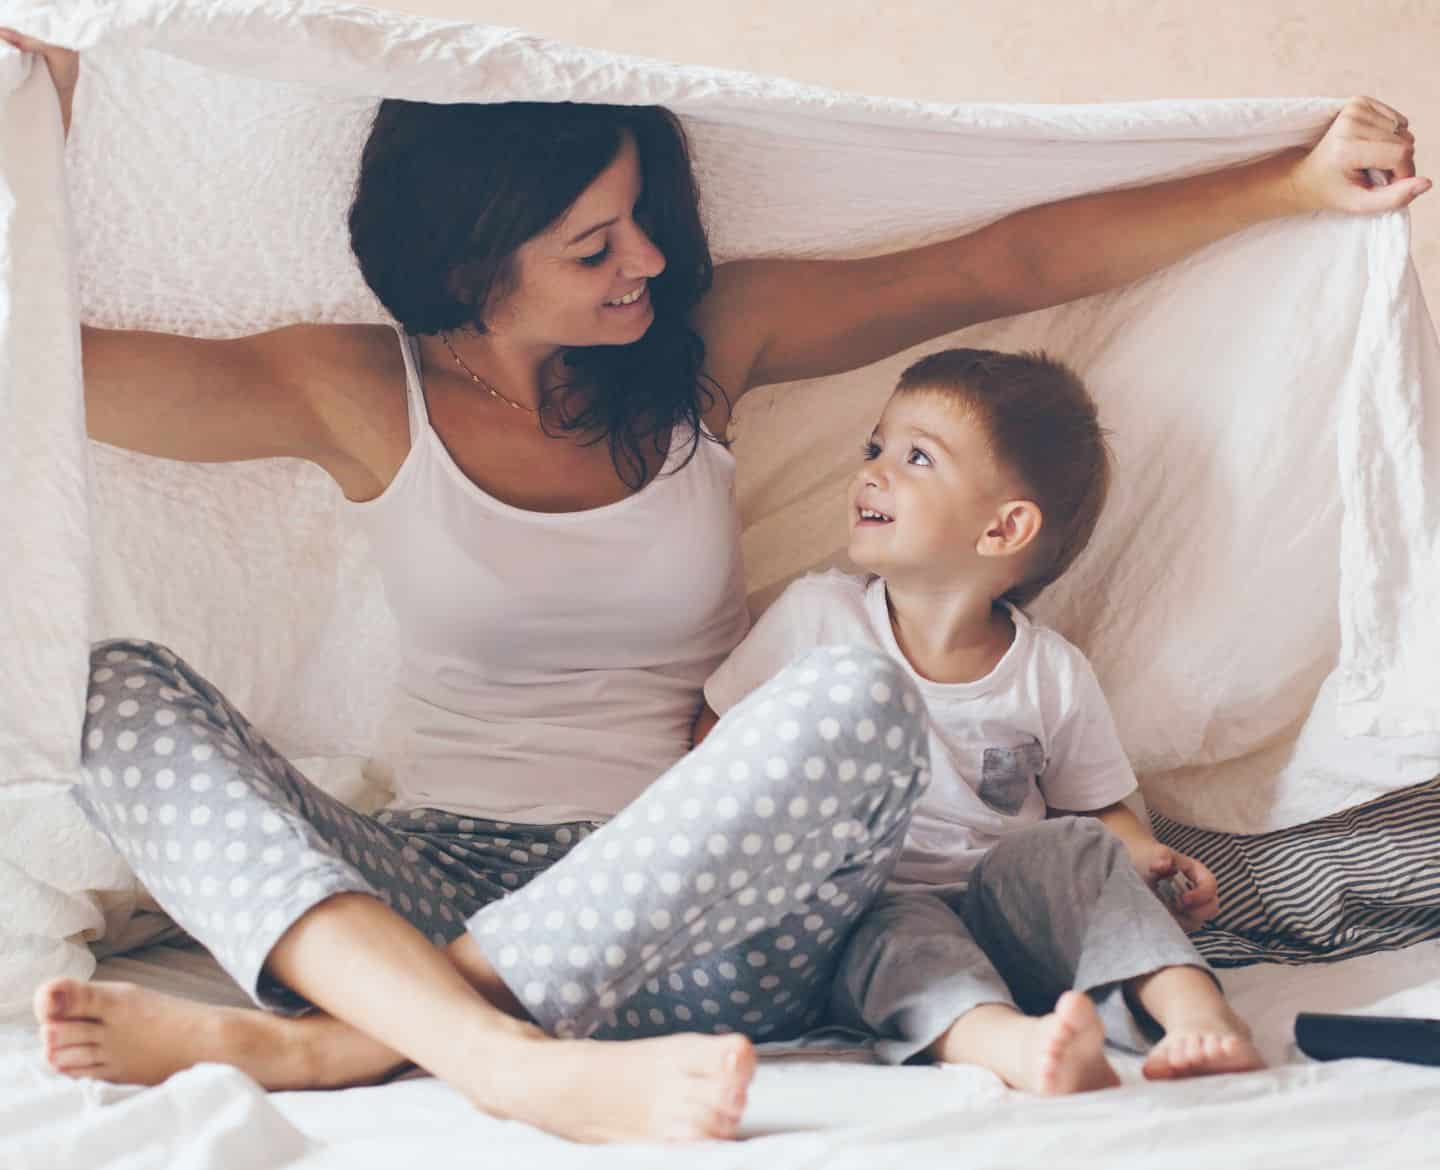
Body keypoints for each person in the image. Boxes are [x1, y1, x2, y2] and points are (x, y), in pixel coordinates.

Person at [3, 28, 1424, 1145]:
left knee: (857, 697)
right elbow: (39, 358)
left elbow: (1003, 262)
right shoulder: (351, 389)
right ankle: (498, 1057)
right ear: (471, 265)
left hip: (704, 917)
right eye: (596, 246)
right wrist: (31, 109)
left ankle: (358, 1041)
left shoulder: (704, 348)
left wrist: (1282, 183)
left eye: (646, 219)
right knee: (108, 684)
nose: (654, 260)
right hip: (433, 878)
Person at [697, 348, 1262, 1094]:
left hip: (1011, 915)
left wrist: (1143, 856)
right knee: (901, 934)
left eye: (916, 456)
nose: (873, 471)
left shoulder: (1052, 673)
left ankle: (1199, 1014)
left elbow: (1097, 807)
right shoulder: (819, 618)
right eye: (874, 448)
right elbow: (713, 741)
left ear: (1002, 530)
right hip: (874, 901)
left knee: (1073, 847)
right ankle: (1012, 1046)